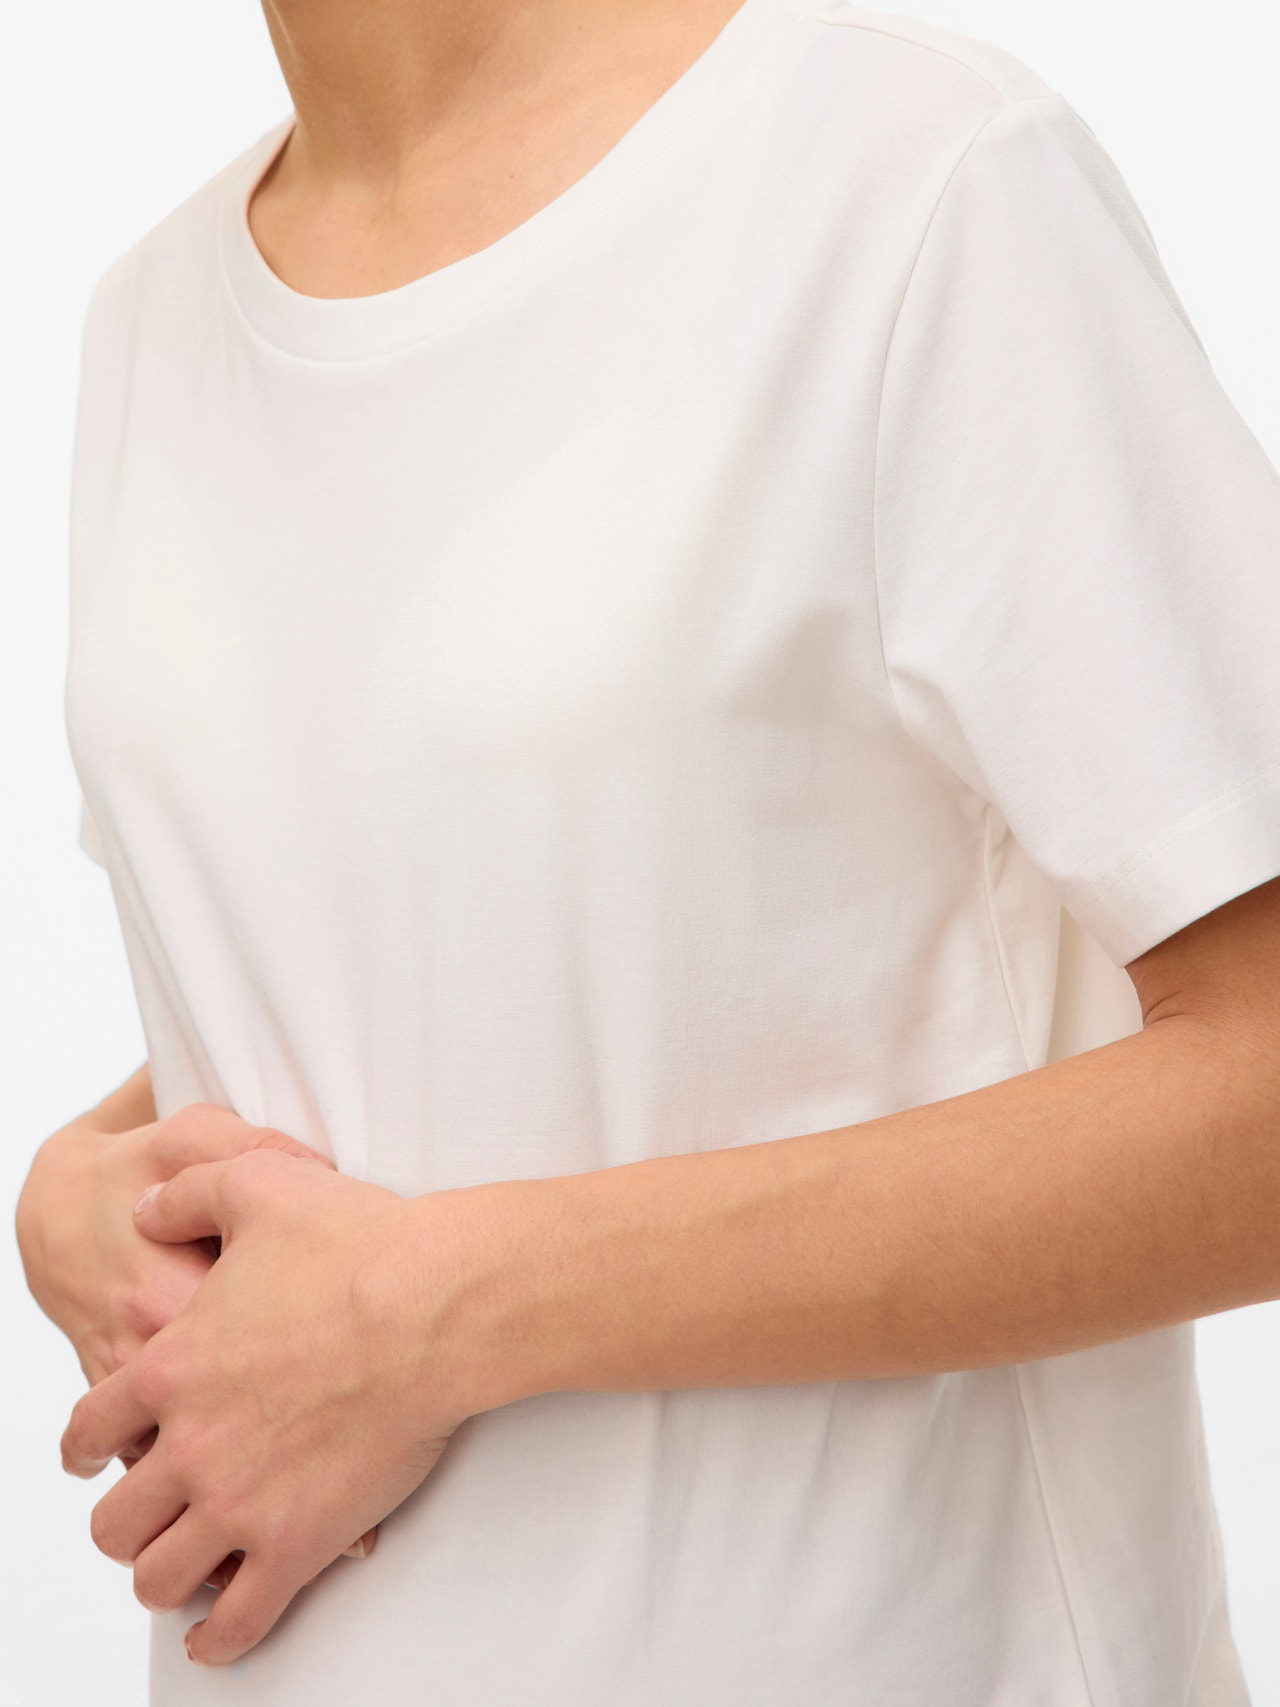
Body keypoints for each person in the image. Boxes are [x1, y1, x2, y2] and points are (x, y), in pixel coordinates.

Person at [15, 0, 1280, 1701]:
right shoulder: (150, 319)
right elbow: (467, 930)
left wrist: (442, 1316)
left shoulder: (910, 184)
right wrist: (88, 1176)